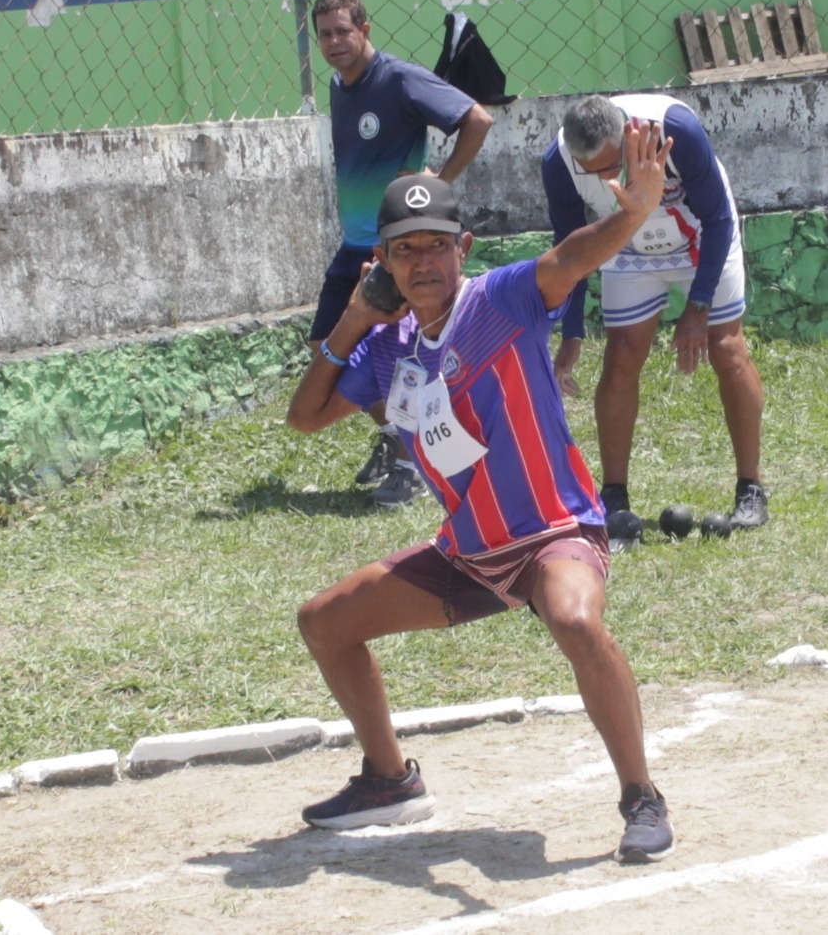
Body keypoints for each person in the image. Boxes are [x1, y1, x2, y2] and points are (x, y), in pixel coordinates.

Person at [284, 120, 676, 863]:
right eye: (405, 248)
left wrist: (632, 212)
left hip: (554, 534)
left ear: (462, 250)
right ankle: (389, 779)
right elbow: (305, 418)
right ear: (385, 262)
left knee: (575, 620)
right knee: (325, 621)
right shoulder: (387, 348)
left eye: (436, 244)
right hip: (468, 554)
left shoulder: (502, 300)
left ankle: (641, 797)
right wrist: (358, 317)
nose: (423, 260)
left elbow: (568, 258)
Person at [541, 94, 769, 527]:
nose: (606, 179)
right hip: (628, 244)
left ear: (627, 136)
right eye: (594, 173)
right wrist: (571, 332)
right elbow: (569, 248)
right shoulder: (558, 161)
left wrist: (698, 307)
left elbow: (719, 218)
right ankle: (613, 498)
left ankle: (751, 490)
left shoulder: (675, 129)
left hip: (702, 235)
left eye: (612, 166)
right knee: (623, 353)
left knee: (726, 348)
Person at [309, 0, 495, 506]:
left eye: (343, 31)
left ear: (365, 30)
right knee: (325, 344)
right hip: (354, 245)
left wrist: (439, 183)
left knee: (401, 357)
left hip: (396, 248)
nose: (334, 42)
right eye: (325, 34)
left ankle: (413, 464)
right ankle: (398, 437)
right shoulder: (338, 84)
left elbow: (477, 119)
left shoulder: (398, 79)